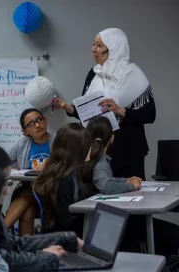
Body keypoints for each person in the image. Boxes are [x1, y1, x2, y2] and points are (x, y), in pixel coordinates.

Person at [0, 140, 84, 272]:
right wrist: (47, 257)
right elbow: (4, 261)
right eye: (3, 182)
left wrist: (67, 239)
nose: (7, 191)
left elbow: (11, 244)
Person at [53, 28, 156, 180]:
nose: (93, 50)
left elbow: (150, 115)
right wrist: (66, 107)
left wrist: (120, 110)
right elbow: (88, 110)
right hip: (97, 150)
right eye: (94, 44)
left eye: (99, 45)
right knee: (98, 197)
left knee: (130, 196)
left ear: (114, 49)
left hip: (128, 150)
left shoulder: (134, 75)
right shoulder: (94, 73)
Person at [33, 123, 92, 237]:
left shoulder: (56, 172)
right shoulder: (67, 179)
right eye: (88, 145)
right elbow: (65, 222)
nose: (91, 148)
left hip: (53, 237)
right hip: (66, 242)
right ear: (78, 149)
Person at [4, 108, 55, 236]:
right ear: (25, 131)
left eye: (39, 120)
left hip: (51, 192)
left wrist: (49, 164)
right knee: (27, 213)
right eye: (31, 124)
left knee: (28, 192)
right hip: (29, 190)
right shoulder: (22, 144)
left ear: (45, 121)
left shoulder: (57, 140)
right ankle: (26, 252)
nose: (37, 125)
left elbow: (67, 161)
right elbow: (3, 159)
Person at [83, 116, 142, 194]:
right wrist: (131, 186)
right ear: (112, 138)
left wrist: (125, 181)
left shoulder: (89, 156)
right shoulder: (100, 162)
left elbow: (105, 179)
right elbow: (105, 186)